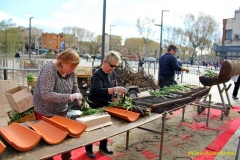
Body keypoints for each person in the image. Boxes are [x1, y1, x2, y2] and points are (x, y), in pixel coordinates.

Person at [33, 48, 88, 160]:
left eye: (75, 68)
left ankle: (67, 157)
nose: (73, 70)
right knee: (48, 139)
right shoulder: (50, 70)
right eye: (71, 67)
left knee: (65, 136)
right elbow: (46, 94)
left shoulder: (71, 72)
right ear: (62, 62)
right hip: (45, 111)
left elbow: (75, 88)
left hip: (62, 110)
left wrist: (79, 98)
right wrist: (69, 97)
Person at [86, 51, 126, 159]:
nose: (113, 68)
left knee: (106, 126)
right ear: (105, 62)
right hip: (95, 103)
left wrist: (118, 92)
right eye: (112, 65)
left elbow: (115, 86)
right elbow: (99, 90)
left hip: (106, 104)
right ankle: (89, 149)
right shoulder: (98, 74)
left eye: (115, 66)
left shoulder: (112, 73)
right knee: (92, 127)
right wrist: (114, 89)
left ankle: (103, 146)